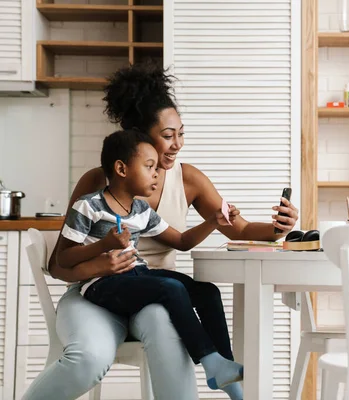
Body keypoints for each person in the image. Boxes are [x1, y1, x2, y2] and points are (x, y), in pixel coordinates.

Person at [22, 62, 299, 400]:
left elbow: (235, 228)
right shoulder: (98, 183)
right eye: (168, 136)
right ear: (139, 137)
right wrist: (101, 265)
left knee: (169, 312)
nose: (177, 144)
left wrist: (277, 227)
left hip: (157, 294)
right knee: (88, 359)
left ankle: (224, 373)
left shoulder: (188, 179)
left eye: (181, 133)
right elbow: (60, 264)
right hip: (93, 295)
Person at [58, 129, 244, 393]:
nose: (157, 173)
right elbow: (63, 257)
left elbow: (181, 241)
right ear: (121, 169)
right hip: (102, 284)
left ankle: (226, 373)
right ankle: (210, 360)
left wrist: (213, 221)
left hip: (136, 275)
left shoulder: (141, 210)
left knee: (207, 292)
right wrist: (105, 245)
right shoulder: (89, 206)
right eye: (149, 166)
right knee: (171, 288)